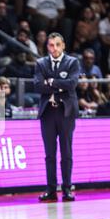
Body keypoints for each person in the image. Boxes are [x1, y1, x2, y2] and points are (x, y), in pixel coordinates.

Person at [33, 32, 79, 202]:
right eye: (51, 45)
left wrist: (51, 82)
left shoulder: (72, 62)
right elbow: (38, 86)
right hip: (48, 113)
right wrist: (60, 86)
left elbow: (72, 84)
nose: (55, 48)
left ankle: (67, 189)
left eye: (57, 45)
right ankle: (51, 189)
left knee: (66, 152)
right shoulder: (41, 63)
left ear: (63, 45)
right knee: (49, 154)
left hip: (66, 112)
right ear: (47, 47)